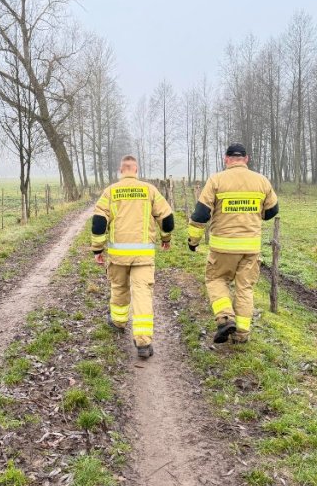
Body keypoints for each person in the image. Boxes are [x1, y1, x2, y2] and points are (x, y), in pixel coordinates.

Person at [186, 143, 279, 344]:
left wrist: (193, 240)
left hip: (223, 247)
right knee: (245, 288)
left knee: (216, 280)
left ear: (226, 159)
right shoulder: (261, 180)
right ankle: (242, 334)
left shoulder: (217, 180)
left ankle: (225, 317)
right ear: (246, 159)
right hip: (250, 248)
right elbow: (272, 211)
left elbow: (201, 214)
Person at [90, 155, 174, 359]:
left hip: (118, 256)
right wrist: (166, 238)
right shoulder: (149, 190)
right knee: (142, 294)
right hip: (143, 256)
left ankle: (118, 322)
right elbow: (167, 217)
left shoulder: (110, 192)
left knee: (119, 288)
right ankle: (143, 343)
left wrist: (97, 249)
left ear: (121, 170)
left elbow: (99, 222)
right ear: (136, 170)